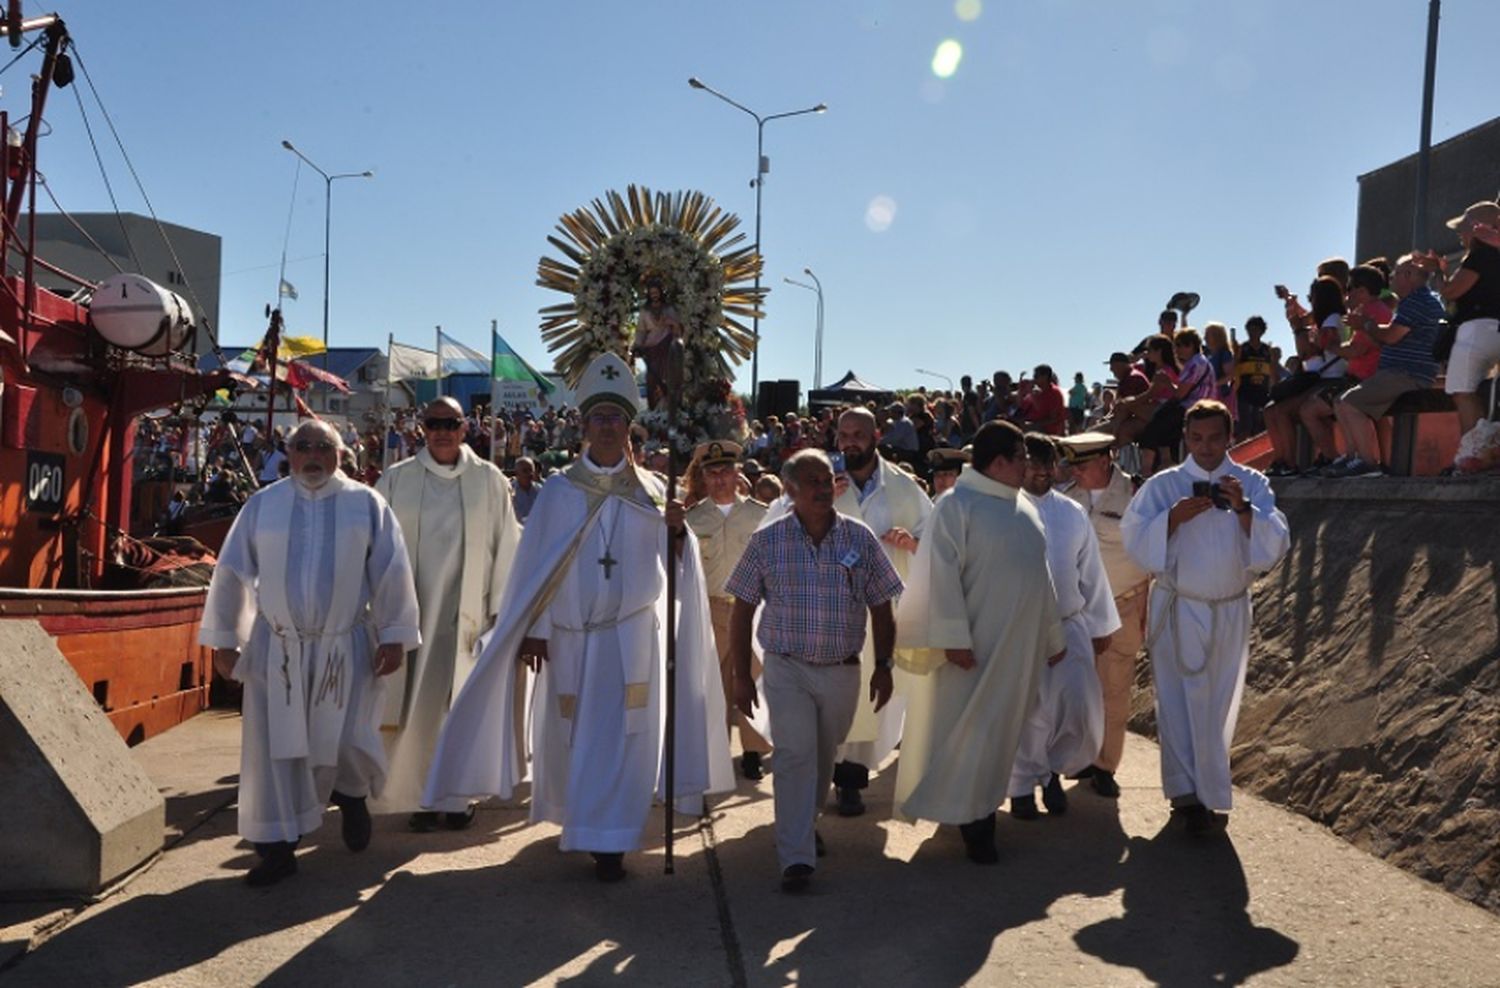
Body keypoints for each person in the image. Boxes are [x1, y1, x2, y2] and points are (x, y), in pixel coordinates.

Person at [423, 353, 732, 882]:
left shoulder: (655, 493)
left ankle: (611, 838)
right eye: (599, 417)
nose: (608, 426)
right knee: (578, 736)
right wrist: (536, 631)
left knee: (629, 737)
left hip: (633, 636)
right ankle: (586, 824)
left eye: (617, 416)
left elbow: (676, 567)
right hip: (569, 638)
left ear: (628, 426)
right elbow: (535, 570)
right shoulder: (561, 493)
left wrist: (677, 534)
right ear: (584, 425)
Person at [200, 419, 421, 886]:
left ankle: (353, 793)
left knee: (346, 740)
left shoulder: (366, 504)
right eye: (304, 446)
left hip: (345, 645)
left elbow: (391, 571)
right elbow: (232, 572)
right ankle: (277, 847)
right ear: (288, 453)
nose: (314, 454)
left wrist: (396, 634)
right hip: (277, 649)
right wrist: (223, 638)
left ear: (341, 454)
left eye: (324, 446)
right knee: (276, 751)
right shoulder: (265, 505)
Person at [726, 449, 904, 891]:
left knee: (823, 758)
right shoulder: (767, 541)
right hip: (787, 668)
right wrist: (742, 676)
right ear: (790, 490)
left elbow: (883, 607)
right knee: (794, 755)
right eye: (813, 482)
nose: (824, 489)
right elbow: (742, 609)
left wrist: (884, 665)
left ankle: (804, 823)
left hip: (842, 671)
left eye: (828, 480)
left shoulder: (859, 539)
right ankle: (796, 857)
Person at [891, 421, 1064, 864]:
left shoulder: (1023, 506)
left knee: (999, 736)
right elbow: (939, 574)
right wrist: (952, 639)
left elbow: (1039, 577)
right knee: (970, 735)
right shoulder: (957, 504)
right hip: (973, 652)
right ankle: (975, 823)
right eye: (1022, 457)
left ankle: (977, 807)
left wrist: (1051, 635)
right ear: (1000, 461)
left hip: (1017, 650)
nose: (1028, 465)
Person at [1121, 400, 1290, 835]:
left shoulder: (1252, 482)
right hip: (1179, 606)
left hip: (1230, 606)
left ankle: (1213, 790)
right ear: (1185, 437)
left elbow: (1276, 544)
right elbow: (1135, 540)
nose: (1206, 447)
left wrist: (1244, 511)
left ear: (1229, 436)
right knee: (1177, 700)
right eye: (1196, 438)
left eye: (1215, 437)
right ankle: (1185, 796)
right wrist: (1171, 519)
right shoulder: (1163, 486)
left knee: (1218, 702)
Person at [765, 406, 930, 816]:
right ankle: (816, 784)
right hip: (822, 608)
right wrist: (810, 502)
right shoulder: (818, 476)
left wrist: (913, 542)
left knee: (867, 701)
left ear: (876, 437)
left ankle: (851, 779)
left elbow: (935, 534)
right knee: (822, 704)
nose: (850, 441)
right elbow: (773, 526)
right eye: (844, 434)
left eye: (859, 433)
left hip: (877, 611)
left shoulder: (904, 487)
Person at [372, 397, 521, 831]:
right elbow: (376, 547)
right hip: (412, 617)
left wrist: (500, 614)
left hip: (468, 617)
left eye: (450, 423)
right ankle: (418, 797)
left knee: (460, 709)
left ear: (464, 428)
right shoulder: (397, 480)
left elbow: (506, 547)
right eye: (433, 423)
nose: (442, 431)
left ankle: (456, 798)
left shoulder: (489, 479)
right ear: (422, 427)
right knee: (415, 710)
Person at [1007, 434, 1119, 820]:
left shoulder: (1072, 513)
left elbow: (1091, 572)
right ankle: (1022, 789)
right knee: (1026, 712)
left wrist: (1102, 624)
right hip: (1018, 631)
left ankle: (1053, 770)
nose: (1041, 469)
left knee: (1077, 709)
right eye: (1033, 461)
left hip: (1070, 625)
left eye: (1048, 462)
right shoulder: (1002, 510)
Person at [1057, 431, 1148, 797]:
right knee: (1076, 690)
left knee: (1114, 689)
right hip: (1077, 612)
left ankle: (1105, 765)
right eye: (1072, 465)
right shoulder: (1066, 499)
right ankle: (1080, 757)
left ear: (1105, 461)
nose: (1074, 471)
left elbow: (1156, 554)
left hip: (1122, 604)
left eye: (1082, 464)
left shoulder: (1139, 497)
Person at [684, 440, 772, 781]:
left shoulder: (759, 514)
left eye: (725, 471)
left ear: (738, 474)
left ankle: (753, 752)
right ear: (704, 477)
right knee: (713, 684)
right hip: (711, 609)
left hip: (752, 610)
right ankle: (716, 750)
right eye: (712, 472)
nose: (720, 479)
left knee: (753, 679)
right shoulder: (693, 518)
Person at [1326, 255, 1445, 478]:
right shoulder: (1416, 301)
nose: (1390, 280)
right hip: (1401, 372)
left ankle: (1367, 463)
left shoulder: (1417, 302)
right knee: (1341, 403)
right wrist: (1367, 326)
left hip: (1407, 374)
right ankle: (1354, 458)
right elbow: (1391, 335)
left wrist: (1365, 324)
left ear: (1408, 276)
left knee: (1349, 403)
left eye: (1395, 274)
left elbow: (1391, 336)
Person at [1421, 201, 1500, 441]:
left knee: (1462, 391)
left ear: (1478, 227)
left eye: (1464, 227)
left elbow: (1451, 292)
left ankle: (1473, 451)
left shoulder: (1480, 256)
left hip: (1477, 331)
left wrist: (1437, 271)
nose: (1460, 233)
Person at [632, 276, 683, 410]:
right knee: (651, 381)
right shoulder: (645, 311)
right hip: (651, 349)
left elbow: (678, 328)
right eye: (652, 293)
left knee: (669, 379)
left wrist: (670, 323)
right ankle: (654, 410)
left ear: (661, 292)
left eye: (656, 292)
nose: (654, 295)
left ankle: (670, 409)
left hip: (667, 346)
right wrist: (638, 345)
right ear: (648, 294)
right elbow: (641, 330)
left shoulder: (668, 308)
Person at [1232, 317, 1276, 439]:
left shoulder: (1267, 350)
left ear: (1262, 331)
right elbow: (1234, 367)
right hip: (1244, 392)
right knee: (1244, 427)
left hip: (1262, 393)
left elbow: (1272, 371)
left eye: (1256, 329)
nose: (1253, 332)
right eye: (1250, 329)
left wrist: (1272, 390)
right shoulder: (1242, 348)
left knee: (1259, 428)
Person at [511, 456, 540, 523]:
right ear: (517, 473)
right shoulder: (510, 490)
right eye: (525, 471)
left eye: (531, 470)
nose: (529, 474)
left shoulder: (539, 490)